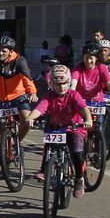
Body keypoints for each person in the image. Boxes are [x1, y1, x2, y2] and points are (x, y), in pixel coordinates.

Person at [29, 63, 90, 199]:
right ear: (52, 84)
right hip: (56, 127)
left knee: (77, 151)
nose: (61, 87)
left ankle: (79, 178)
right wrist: (30, 117)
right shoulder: (49, 95)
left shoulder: (74, 95)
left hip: (74, 128)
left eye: (64, 83)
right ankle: (44, 170)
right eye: (58, 84)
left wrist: (88, 120)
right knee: (48, 145)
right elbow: (40, 108)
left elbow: (83, 108)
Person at [0, 34, 38, 157]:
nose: (0, 53)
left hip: (17, 96)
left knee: (27, 119)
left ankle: (17, 142)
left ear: (11, 51)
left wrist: (32, 92)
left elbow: (27, 78)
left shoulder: (19, 61)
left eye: (4, 51)